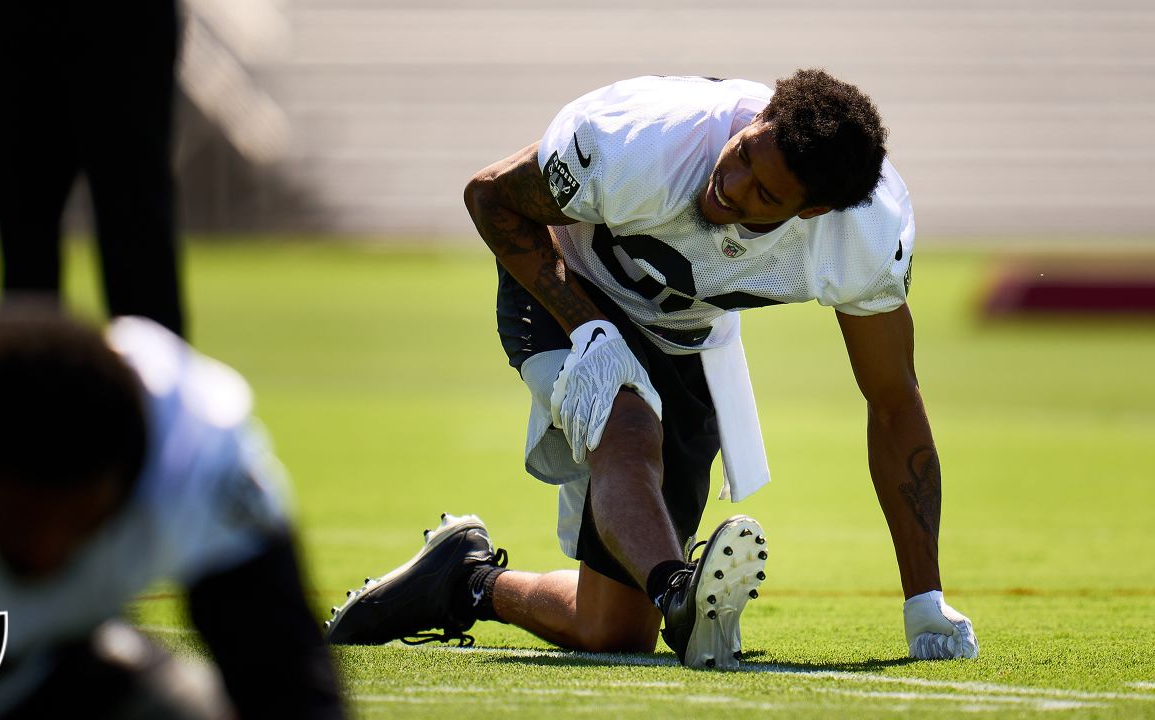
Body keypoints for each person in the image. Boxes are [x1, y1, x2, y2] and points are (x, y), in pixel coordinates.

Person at [325, 70, 979, 669]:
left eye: (765, 193)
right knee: (627, 424)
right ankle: (679, 591)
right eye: (746, 151)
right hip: (564, 282)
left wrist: (925, 599)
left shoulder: (862, 236)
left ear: (810, 213)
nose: (733, 183)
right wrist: (589, 327)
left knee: (610, 631)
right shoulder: (640, 142)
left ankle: (464, 580)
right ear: (757, 117)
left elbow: (893, 401)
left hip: (683, 331)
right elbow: (491, 197)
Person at [0, 306, 343, 718]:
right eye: (21, 520)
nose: (46, 553)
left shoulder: (192, 450)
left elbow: (283, 675)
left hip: (47, 676)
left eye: (80, 524)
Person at [0, 0, 186, 337]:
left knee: (136, 229)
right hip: (17, 21)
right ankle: (20, 379)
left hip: (124, 21)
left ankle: (155, 383)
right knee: (25, 250)